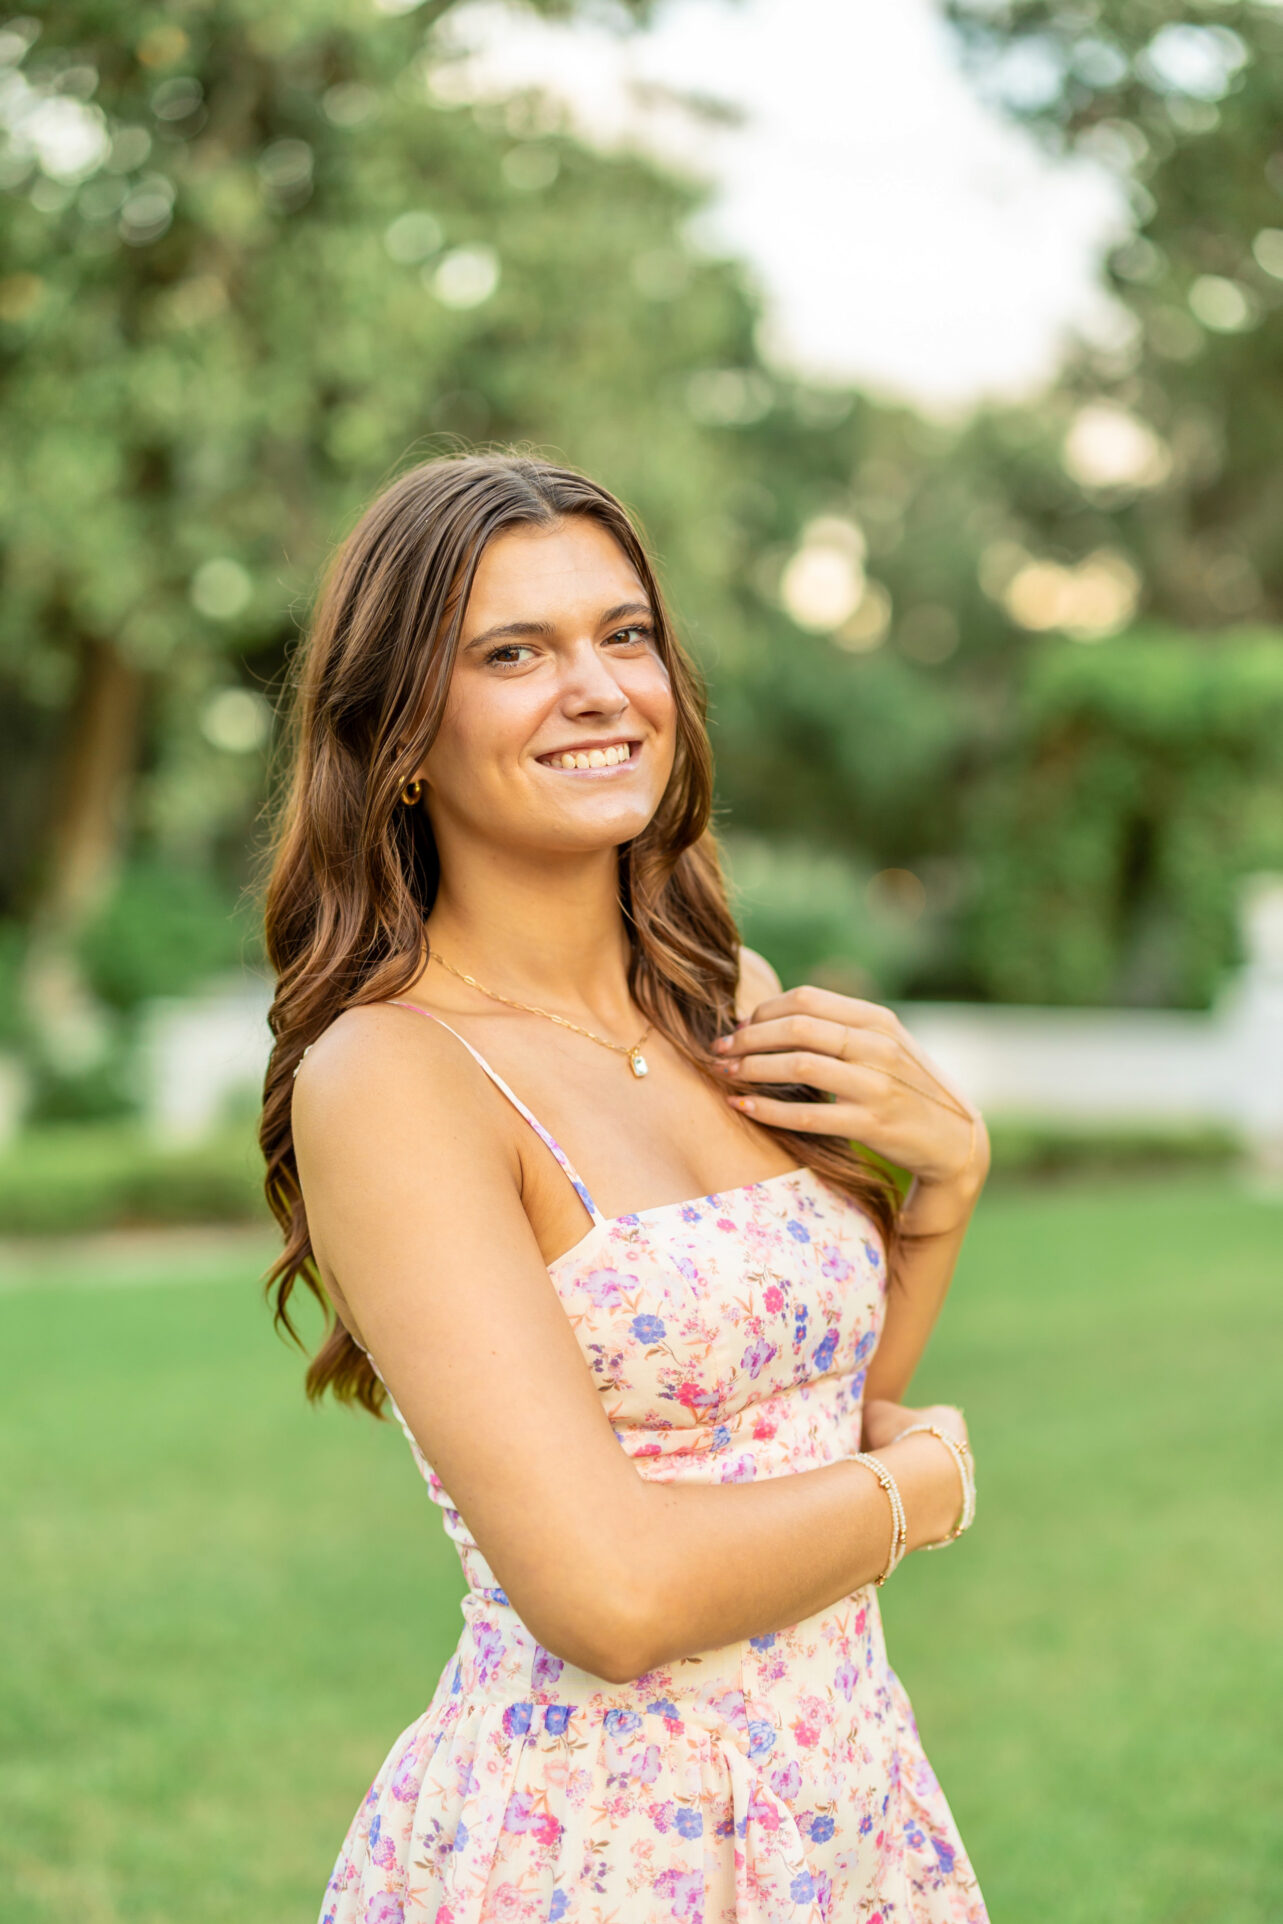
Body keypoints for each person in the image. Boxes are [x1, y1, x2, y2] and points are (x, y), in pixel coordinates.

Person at [259, 450, 991, 1923]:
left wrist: (948, 1183)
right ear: (401, 733)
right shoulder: (394, 1076)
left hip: (840, 1794)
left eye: (625, 634)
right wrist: (917, 1494)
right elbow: (609, 1600)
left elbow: (815, 1419)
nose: (596, 688)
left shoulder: (726, 1000)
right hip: (597, 1845)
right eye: (513, 652)